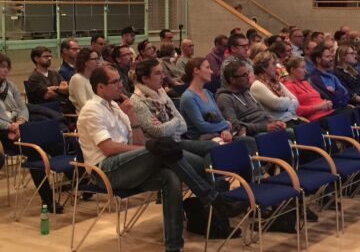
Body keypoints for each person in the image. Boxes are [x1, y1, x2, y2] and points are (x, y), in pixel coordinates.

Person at [77, 65, 246, 252]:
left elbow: (140, 143)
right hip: (105, 170)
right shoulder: (91, 109)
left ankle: (173, 246)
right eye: (115, 82)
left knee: (170, 177)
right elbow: (108, 149)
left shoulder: (118, 107)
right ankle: (211, 197)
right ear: (100, 87)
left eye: (120, 80)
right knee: (162, 148)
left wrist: (132, 118)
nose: (120, 85)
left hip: (129, 164)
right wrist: (149, 149)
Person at [0, 54, 65, 213]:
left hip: (21, 126)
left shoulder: (10, 85)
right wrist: (10, 127)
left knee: (55, 143)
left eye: (7, 66)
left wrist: (20, 122)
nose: (5, 70)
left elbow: (23, 107)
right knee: (36, 151)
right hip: (4, 133)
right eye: (1, 67)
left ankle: (77, 181)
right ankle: (48, 200)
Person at [216, 60, 287, 136]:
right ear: (232, 80)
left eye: (247, 73)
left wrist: (276, 121)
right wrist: (264, 127)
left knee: (290, 132)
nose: (248, 77)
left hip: (265, 128)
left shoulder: (247, 91)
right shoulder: (224, 98)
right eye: (244, 75)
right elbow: (234, 125)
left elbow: (263, 113)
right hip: (254, 134)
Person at [180, 58, 235, 142]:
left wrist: (225, 130)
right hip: (199, 139)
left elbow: (220, 117)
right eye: (207, 67)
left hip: (216, 134)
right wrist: (226, 125)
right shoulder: (188, 97)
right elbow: (202, 126)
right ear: (196, 70)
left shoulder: (207, 93)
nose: (211, 71)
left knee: (243, 141)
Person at [250, 52, 301, 127]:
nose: (276, 67)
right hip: (278, 124)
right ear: (264, 67)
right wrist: (288, 101)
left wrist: (285, 105)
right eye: (273, 64)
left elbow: (296, 101)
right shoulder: (257, 85)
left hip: (290, 119)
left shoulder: (276, 82)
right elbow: (278, 104)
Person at [283, 56, 333, 121]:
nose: (305, 71)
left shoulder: (306, 82)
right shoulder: (288, 86)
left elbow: (318, 99)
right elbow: (297, 110)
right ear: (292, 70)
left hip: (328, 112)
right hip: (316, 118)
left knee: (347, 111)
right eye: (302, 67)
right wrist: (319, 107)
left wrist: (327, 104)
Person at [26, 46, 75, 114]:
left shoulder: (54, 73)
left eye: (50, 56)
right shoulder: (34, 77)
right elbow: (47, 95)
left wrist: (53, 88)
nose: (49, 58)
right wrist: (60, 89)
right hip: (46, 111)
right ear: (36, 59)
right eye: (46, 56)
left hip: (62, 107)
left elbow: (67, 89)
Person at [308, 45, 351, 109]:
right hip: (330, 111)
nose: (331, 59)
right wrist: (338, 92)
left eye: (331, 56)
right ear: (318, 60)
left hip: (342, 107)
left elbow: (346, 93)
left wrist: (335, 92)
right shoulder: (314, 78)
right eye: (327, 57)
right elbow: (331, 99)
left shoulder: (332, 75)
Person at [69, 48, 98, 113]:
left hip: (97, 112)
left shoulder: (93, 78)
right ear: (85, 62)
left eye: (97, 59)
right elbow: (83, 104)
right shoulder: (77, 78)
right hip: (87, 116)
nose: (97, 62)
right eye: (94, 59)